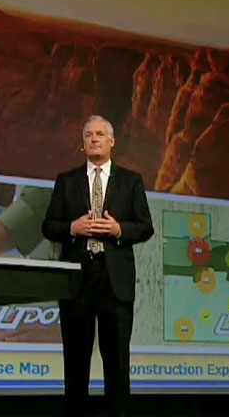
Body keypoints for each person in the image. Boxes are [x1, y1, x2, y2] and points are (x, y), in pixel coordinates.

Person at [42, 115, 154, 417]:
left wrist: (119, 230)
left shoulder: (131, 180)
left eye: (100, 134)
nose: (94, 139)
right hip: (77, 280)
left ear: (112, 141)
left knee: (117, 361)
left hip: (115, 281)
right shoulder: (66, 181)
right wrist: (72, 227)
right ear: (83, 143)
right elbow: (48, 226)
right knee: (75, 359)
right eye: (89, 135)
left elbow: (145, 226)